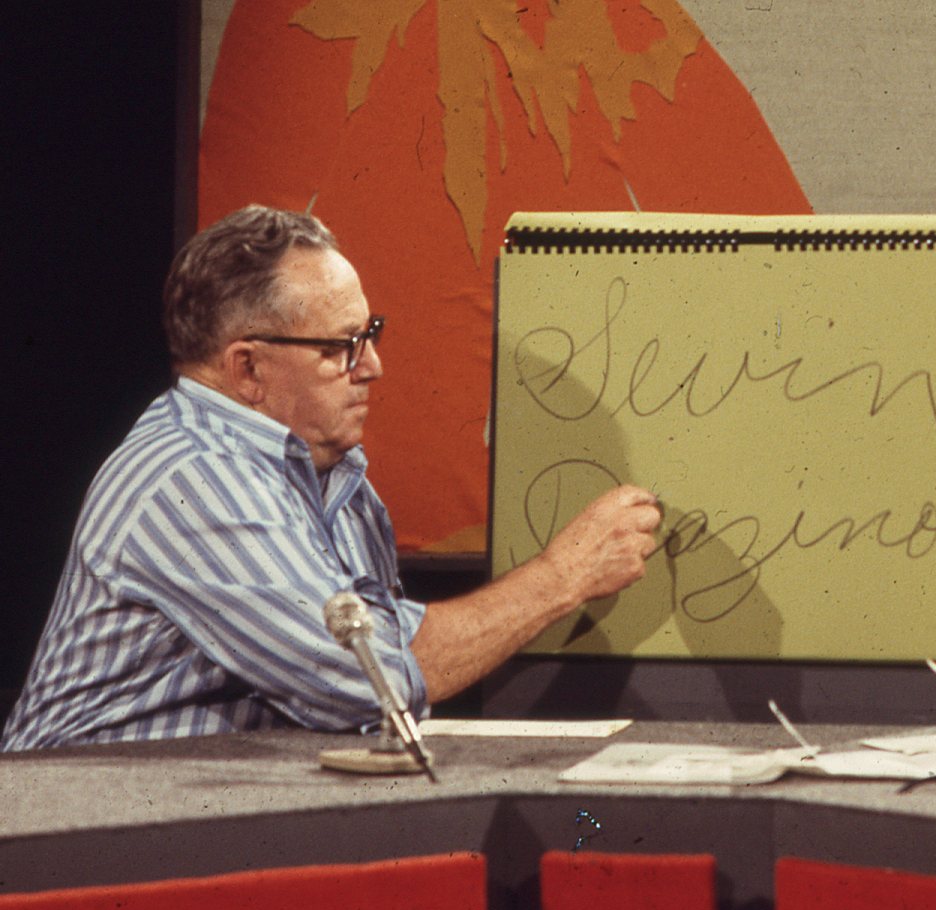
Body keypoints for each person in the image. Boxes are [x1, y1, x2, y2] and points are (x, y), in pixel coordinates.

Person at [2, 205, 661, 750]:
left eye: (369, 332)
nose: (372, 365)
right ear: (248, 371)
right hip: (79, 847)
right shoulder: (191, 476)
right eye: (340, 347)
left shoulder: (335, 477)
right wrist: (564, 577)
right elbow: (367, 680)